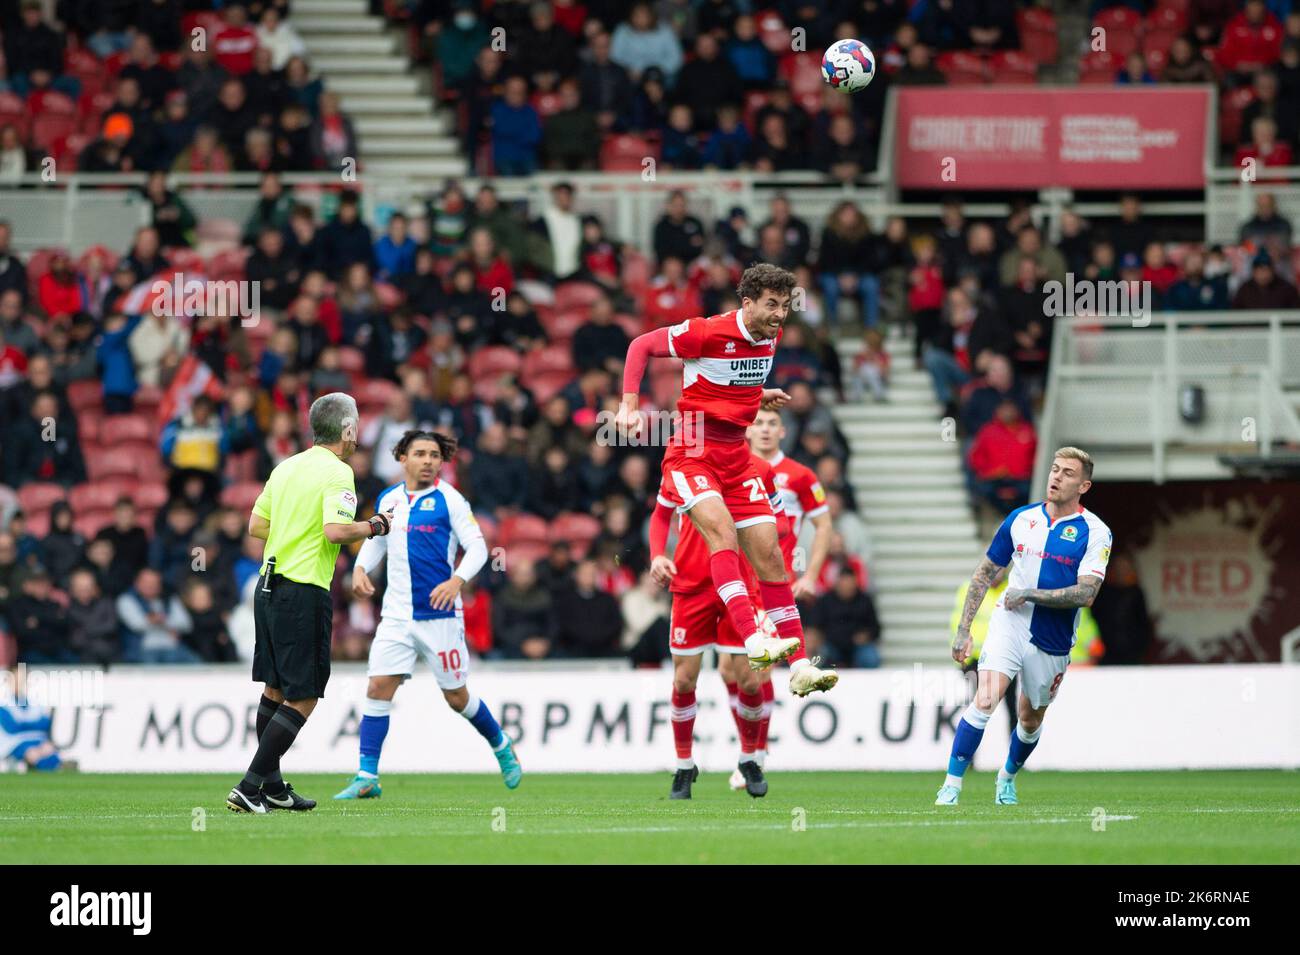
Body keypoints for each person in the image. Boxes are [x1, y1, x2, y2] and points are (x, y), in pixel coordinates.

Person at [617, 264, 835, 696]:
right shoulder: (705, 332)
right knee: (722, 534)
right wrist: (627, 405)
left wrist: (759, 394)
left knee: (770, 556)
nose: (779, 314)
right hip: (693, 451)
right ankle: (754, 640)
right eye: (771, 304)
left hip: (736, 455)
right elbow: (641, 345)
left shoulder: (770, 337)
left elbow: (734, 379)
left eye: (785, 306)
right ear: (747, 302)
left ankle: (799, 666)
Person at [226, 393, 395, 814]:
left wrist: (295, 530)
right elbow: (337, 532)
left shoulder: (286, 467)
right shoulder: (338, 472)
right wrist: (375, 526)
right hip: (303, 590)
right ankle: (249, 785)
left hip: (267, 586)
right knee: (304, 694)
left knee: (275, 688)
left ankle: (273, 786)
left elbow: (256, 525)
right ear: (348, 429)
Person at [335, 429, 517, 800]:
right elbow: (377, 539)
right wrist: (359, 568)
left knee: (457, 698)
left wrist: (458, 580)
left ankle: (500, 743)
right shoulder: (389, 499)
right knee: (378, 687)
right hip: (397, 616)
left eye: (434, 455)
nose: (428, 460)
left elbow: (478, 549)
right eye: (420, 453)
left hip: (440, 618)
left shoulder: (450, 500)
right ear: (403, 458)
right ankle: (367, 775)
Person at [939, 448, 1112, 807]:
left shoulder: (1096, 532)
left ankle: (1007, 777)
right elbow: (985, 571)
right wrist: (964, 629)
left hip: (1053, 638)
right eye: (1054, 469)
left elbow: (1087, 592)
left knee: (1030, 718)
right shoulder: (1020, 518)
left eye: (1067, 473)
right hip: (1010, 623)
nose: (1056, 477)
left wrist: (1031, 593)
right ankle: (951, 785)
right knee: (985, 698)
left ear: (1084, 485)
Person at [647, 451, 791, 799]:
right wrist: (656, 555)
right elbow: (660, 515)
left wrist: (768, 558)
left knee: (750, 681)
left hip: (740, 589)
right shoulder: (682, 467)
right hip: (692, 586)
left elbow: (783, 525)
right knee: (683, 679)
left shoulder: (759, 470)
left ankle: (749, 757)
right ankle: (683, 766)